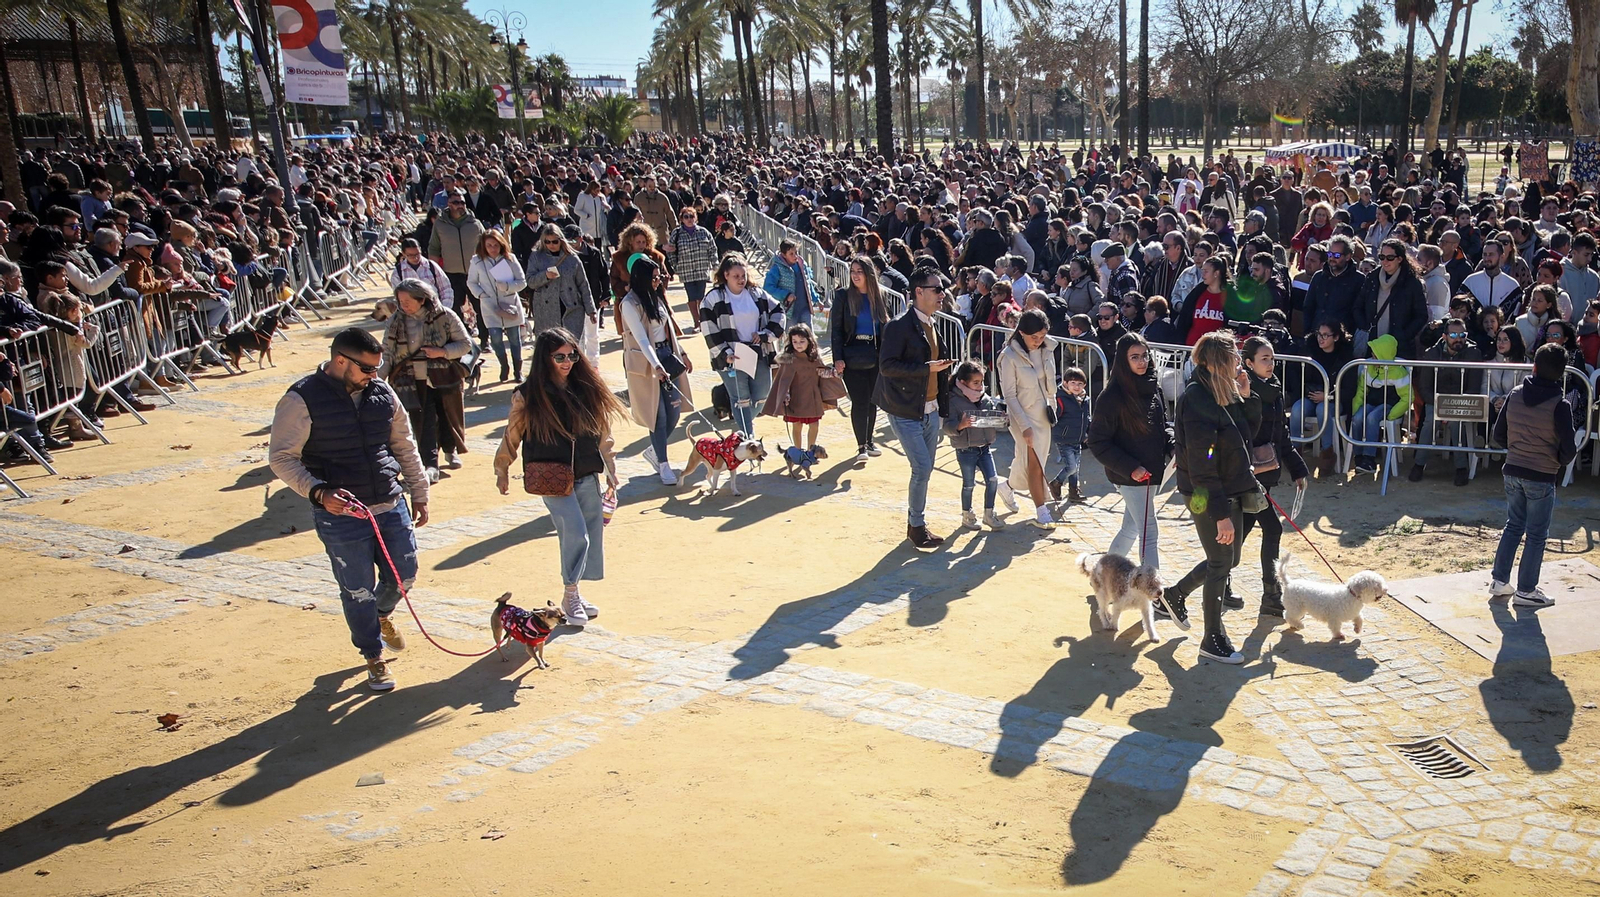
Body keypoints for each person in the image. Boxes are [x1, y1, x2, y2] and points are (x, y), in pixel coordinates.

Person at [268, 327, 430, 692]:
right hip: (340, 514)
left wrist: (419, 491)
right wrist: (317, 492)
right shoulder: (300, 399)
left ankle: (379, 616)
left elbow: (404, 444)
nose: (375, 376)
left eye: (377, 368)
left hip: (389, 501)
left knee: (404, 574)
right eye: (367, 369)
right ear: (340, 361)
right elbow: (281, 457)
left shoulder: (382, 392)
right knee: (357, 588)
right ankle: (373, 655)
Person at [494, 327, 623, 626]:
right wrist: (502, 467)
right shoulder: (528, 395)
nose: (567, 362)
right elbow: (512, 433)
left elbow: (604, 433)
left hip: (586, 472)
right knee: (575, 533)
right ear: (545, 358)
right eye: (559, 357)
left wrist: (612, 470)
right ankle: (570, 593)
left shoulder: (587, 387)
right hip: (551, 476)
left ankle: (576, 589)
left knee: (591, 534)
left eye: (572, 355)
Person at [1159, 331, 1259, 664]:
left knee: (1229, 559)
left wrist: (1245, 396)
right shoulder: (1197, 398)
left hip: (1231, 486)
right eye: (1235, 355)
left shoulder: (1224, 391)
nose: (1240, 361)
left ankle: (1174, 595)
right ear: (1220, 361)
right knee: (1220, 562)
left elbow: (1248, 437)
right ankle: (1212, 638)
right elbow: (1203, 464)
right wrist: (1220, 514)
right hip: (1207, 492)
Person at [1490, 343, 1579, 608]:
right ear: (1561, 374)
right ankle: (1527, 589)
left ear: (1534, 366)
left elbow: (1498, 435)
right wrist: (1556, 461)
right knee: (1537, 534)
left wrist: (1517, 449)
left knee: (1514, 525)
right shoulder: (1559, 404)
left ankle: (1499, 581)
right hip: (1541, 474)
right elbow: (1569, 448)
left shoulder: (1515, 394)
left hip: (1513, 470)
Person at [875, 266, 954, 548]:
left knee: (926, 467)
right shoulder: (898, 325)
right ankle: (916, 525)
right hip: (905, 409)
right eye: (937, 289)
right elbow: (887, 366)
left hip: (930, 409)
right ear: (918, 292)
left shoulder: (932, 322)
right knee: (922, 468)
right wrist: (926, 369)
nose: (942, 294)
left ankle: (915, 523)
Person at [1236, 335, 1309, 618]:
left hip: (1266, 473)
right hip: (1248, 474)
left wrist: (1298, 469)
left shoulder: (1275, 390)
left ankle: (1259, 591)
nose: (1270, 364)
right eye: (1264, 359)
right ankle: (1268, 593)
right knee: (1263, 530)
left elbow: (1283, 437)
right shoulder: (1244, 391)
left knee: (1242, 533)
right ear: (1249, 363)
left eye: (1272, 359)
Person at [1087, 332, 1172, 567]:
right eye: (1135, 357)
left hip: (1152, 472)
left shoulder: (1154, 387)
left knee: (1131, 528)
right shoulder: (1111, 397)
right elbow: (1097, 441)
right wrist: (1131, 468)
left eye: (1144, 356)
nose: (1142, 361)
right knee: (1149, 532)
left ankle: (1104, 575)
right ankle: (1154, 594)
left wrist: (1174, 447)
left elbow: (1163, 428)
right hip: (1131, 475)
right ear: (1124, 361)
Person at [381, 278, 472, 483]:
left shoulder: (446, 316)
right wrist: (378, 379)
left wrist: (441, 352)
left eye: (407, 301)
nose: (403, 305)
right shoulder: (395, 320)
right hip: (410, 380)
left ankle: (450, 450)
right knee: (422, 421)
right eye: (400, 301)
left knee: (447, 415)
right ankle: (430, 465)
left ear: (422, 300)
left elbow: (465, 344)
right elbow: (387, 353)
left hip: (443, 376)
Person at [620, 256, 695, 484]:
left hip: (666, 354)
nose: (659, 280)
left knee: (674, 410)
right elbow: (641, 339)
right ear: (642, 278)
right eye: (655, 278)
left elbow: (668, 330)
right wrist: (656, 366)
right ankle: (663, 463)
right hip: (646, 362)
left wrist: (681, 353)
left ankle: (655, 450)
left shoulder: (656, 298)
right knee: (657, 414)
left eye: (659, 276)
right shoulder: (629, 303)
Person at [701, 253, 784, 437]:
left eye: (743, 275)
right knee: (741, 399)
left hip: (758, 351)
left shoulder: (756, 293)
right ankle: (748, 438)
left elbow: (778, 311)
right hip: (732, 354)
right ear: (725, 276)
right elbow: (708, 329)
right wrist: (724, 353)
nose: (741, 280)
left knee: (762, 397)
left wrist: (767, 334)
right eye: (736, 276)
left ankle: (743, 430)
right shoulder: (713, 298)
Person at [998, 309, 1059, 528]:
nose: (1039, 341)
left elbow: (1050, 384)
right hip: (1022, 416)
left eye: (1042, 336)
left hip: (1044, 415)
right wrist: (1024, 426)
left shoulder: (1047, 348)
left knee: (1034, 459)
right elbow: (1010, 396)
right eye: (1034, 337)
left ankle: (1007, 486)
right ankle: (1042, 510)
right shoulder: (1009, 356)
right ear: (1022, 332)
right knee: (1034, 462)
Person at [1410, 318, 1486, 486]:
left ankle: (1461, 467)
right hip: (1436, 400)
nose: (1458, 339)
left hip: (1462, 401)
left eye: (1462, 334)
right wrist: (1441, 406)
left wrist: (1453, 406)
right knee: (1430, 421)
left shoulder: (1474, 354)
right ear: (1444, 336)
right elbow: (1424, 387)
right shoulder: (1432, 354)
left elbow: (1474, 387)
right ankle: (1419, 464)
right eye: (1453, 334)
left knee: (1455, 422)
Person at [831, 256, 889, 461]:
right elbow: (836, 329)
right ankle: (861, 445)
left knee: (873, 400)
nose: (855, 275)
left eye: (859, 271)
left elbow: (885, 329)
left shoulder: (880, 296)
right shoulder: (843, 296)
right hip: (851, 353)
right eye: (852, 271)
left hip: (874, 353)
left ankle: (870, 439)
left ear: (868, 274)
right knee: (859, 401)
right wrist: (837, 357)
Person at [945, 359, 1006, 531]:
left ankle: (989, 513)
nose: (980, 386)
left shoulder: (985, 398)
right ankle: (967, 515)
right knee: (969, 484)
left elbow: (994, 420)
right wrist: (960, 425)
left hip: (985, 447)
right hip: (966, 449)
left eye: (982, 382)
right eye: (976, 383)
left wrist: (1001, 419)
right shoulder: (953, 400)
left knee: (993, 479)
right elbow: (946, 427)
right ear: (963, 382)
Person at [1291, 322, 1354, 477]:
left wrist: (1328, 396)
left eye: (1326, 335)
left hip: (1335, 400)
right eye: (1319, 334)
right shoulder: (1309, 352)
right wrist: (1307, 392)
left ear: (1336, 337)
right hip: (1310, 396)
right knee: (1297, 409)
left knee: (1322, 410)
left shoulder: (1345, 357)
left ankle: (1328, 453)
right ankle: (1294, 452)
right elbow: (1298, 379)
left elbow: (1349, 389)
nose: (1321, 338)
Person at [761, 322, 835, 451]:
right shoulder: (788, 360)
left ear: (809, 341)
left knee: (814, 425)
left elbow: (822, 373)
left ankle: (810, 451)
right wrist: (786, 395)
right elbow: (783, 381)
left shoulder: (815, 358)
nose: (798, 345)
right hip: (796, 398)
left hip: (812, 398)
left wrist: (834, 373)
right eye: (794, 342)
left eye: (802, 341)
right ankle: (797, 451)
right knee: (797, 425)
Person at [467, 229, 527, 382]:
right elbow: (471, 282)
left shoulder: (510, 259)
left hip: (509, 305)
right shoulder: (477, 261)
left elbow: (522, 282)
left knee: (515, 339)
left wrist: (507, 286)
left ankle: (518, 371)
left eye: (496, 245)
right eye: (489, 245)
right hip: (490, 306)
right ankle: (504, 365)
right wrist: (481, 295)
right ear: (483, 246)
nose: (493, 248)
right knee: (496, 339)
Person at [427, 188, 486, 342]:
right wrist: (433, 273)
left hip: (474, 273)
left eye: (462, 202)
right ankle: (463, 336)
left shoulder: (475, 223)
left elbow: (486, 246)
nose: (460, 205)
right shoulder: (440, 224)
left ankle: (485, 340)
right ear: (449, 204)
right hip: (451, 273)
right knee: (454, 308)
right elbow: (434, 248)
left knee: (481, 307)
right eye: (456, 202)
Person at [525, 223, 597, 348]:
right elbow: (530, 281)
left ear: (561, 240)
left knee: (572, 346)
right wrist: (545, 276)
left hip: (571, 307)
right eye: (547, 242)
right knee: (550, 347)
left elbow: (583, 285)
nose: (551, 245)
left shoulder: (572, 258)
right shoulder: (536, 257)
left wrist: (591, 310)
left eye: (554, 241)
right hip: (546, 309)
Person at [1349, 334, 1412, 474]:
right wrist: (1355, 409)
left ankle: (1369, 458)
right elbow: (1361, 391)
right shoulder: (1369, 368)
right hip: (1372, 402)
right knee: (1357, 418)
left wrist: (1393, 415)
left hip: (1389, 404)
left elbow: (1408, 397)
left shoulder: (1399, 373)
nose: (1372, 357)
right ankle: (1358, 455)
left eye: (1376, 355)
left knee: (1372, 418)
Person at [665, 206, 717, 327]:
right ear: (682, 219)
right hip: (686, 270)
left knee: (701, 296)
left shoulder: (703, 232)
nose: (689, 219)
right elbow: (671, 251)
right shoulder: (676, 233)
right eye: (686, 217)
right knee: (692, 297)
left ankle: (704, 320)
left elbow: (712, 249)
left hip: (701, 269)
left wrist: (715, 265)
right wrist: (675, 266)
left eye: (692, 216)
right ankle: (696, 322)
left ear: (696, 218)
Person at [1049, 366, 1091, 504]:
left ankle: (1073, 492)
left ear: (1084, 385)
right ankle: (1056, 482)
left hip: (1077, 438)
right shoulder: (1061, 398)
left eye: (1080, 384)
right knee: (1071, 467)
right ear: (1066, 383)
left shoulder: (1085, 399)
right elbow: (1055, 416)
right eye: (1073, 383)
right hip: (1064, 438)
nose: (1076, 386)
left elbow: (1086, 417)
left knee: (1076, 468)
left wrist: (1087, 431)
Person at [763, 239, 817, 326]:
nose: (795, 256)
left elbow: (808, 283)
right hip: (789, 311)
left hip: (805, 308)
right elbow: (768, 288)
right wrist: (786, 295)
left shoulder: (802, 264)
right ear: (784, 255)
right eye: (791, 254)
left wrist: (815, 299)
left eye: (796, 252)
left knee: (808, 335)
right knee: (791, 337)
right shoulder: (777, 268)